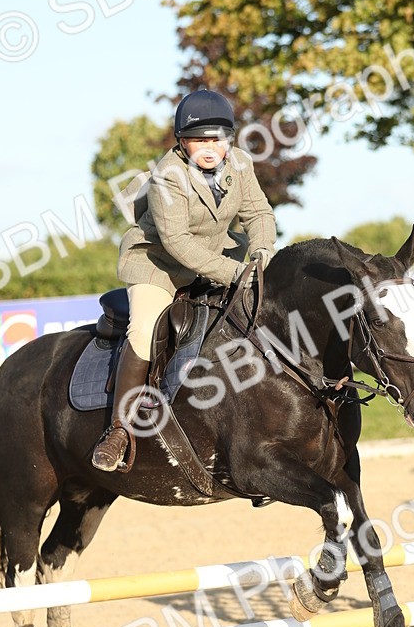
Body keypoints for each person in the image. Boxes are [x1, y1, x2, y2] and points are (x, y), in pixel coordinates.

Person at [91, 88, 277, 472]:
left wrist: (261, 258)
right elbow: (177, 243)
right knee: (143, 330)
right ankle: (119, 430)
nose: (210, 148)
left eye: (217, 139)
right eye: (199, 140)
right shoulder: (167, 177)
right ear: (182, 143)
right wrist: (237, 273)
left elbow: (259, 214)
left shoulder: (240, 164)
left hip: (220, 261)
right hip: (159, 266)